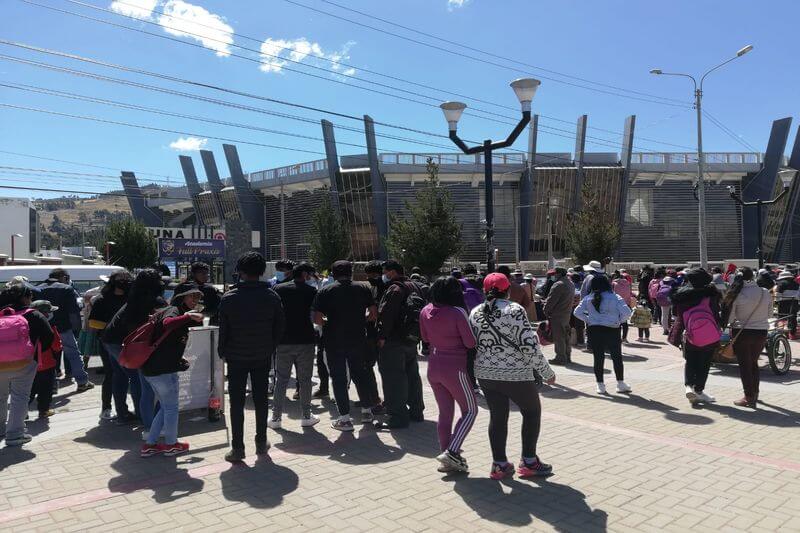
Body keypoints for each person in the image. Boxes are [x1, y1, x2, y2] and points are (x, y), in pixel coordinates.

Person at [469, 273, 555, 479]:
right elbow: (529, 346)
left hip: (485, 374)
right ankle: (529, 461)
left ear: (484, 290)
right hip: (516, 374)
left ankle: (499, 465)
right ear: (508, 290)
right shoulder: (514, 310)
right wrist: (547, 373)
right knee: (532, 412)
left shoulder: (475, 312)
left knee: (498, 417)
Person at [218, 252, 285, 462]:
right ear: (262, 271)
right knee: (261, 399)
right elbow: (279, 328)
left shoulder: (229, 298)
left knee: (236, 403)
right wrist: (269, 347)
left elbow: (223, 332)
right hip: (262, 356)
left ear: (240, 272)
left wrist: (224, 353)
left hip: (236, 358)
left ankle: (237, 448)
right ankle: (261, 442)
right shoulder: (272, 296)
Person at [419, 277, 477, 473]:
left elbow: (425, 339)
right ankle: (451, 452)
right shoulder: (457, 312)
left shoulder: (425, 310)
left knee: (445, 414)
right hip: (455, 368)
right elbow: (470, 343)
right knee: (470, 411)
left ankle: (447, 455)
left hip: (434, 366)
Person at [313, 260, 379, 431]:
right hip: (358, 338)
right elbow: (373, 314)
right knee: (360, 374)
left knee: (339, 378)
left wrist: (330, 322)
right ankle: (366, 411)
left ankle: (344, 419)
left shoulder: (326, 290)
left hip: (334, 341)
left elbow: (318, 319)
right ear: (351, 273)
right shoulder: (363, 288)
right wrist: (359, 321)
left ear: (333, 274)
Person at [139, 286, 204, 457]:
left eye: (197, 298)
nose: (195, 301)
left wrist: (177, 358)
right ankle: (170, 444)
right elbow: (168, 323)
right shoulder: (174, 311)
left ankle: (150, 444)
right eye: (191, 297)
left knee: (165, 407)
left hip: (156, 369)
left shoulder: (174, 311)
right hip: (161, 371)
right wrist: (189, 315)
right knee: (171, 408)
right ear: (181, 297)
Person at [104, 269, 168, 436]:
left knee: (122, 376)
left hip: (112, 340)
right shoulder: (155, 301)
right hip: (128, 344)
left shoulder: (134, 296)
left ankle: (126, 416)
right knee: (140, 382)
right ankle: (147, 422)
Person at [0, 285, 54, 446]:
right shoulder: (34, 315)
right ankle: (15, 434)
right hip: (24, 362)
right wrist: (34, 353)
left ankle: (0, 429)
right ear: (24, 297)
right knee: (20, 397)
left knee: (1, 397)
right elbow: (48, 336)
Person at [375, 260, 425, 429]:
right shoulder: (415, 286)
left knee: (393, 379)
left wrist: (381, 336)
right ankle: (417, 411)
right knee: (412, 377)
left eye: (385, 272)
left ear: (392, 272)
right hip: (411, 340)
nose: (384, 275)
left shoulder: (395, 289)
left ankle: (398, 417)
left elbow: (387, 315)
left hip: (393, 341)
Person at [270, 262, 320, 429]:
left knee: (281, 379)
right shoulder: (311, 291)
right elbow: (316, 314)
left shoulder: (278, 289)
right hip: (305, 339)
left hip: (283, 340)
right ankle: (306, 415)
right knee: (305, 379)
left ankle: (276, 418)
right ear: (305, 274)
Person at [668, 269, 722, 405]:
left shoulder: (681, 295)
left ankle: (688, 386)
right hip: (708, 334)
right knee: (704, 363)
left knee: (690, 361)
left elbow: (678, 315)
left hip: (689, 334)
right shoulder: (710, 295)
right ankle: (699, 390)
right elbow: (716, 314)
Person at [722, 267, 772, 408]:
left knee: (745, 365)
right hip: (761, 331)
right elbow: (769, 314)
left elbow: (731, 319)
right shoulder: (765, 292)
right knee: (753, 363)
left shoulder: (738, 293)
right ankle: (754, 393)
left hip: (742, 332)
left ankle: (748, 397)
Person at [574, 275, 633, 394]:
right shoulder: (615, 297)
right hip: (612, 329)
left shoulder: (588, 298)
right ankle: (620, 384)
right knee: (616, 357)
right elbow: (627, 312)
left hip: (594, 329)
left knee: (598, 357)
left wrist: (588, 320)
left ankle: (600, 385)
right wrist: (618, 320)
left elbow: (577, 312)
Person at [40, 268, 93, 392]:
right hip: (64, 327)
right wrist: (77, 329)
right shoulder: (66, 289)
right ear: (63, 277)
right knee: (73, 354)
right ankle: (82, 382)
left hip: (45, 328)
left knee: (48, 356)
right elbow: (73, 311)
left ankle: (51, 385)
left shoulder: (38, 288)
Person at [91, 271, 134, 422]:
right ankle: (109, 408)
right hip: (111, 343)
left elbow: (94, 325)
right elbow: (94, 324)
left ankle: (118, 411)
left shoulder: (127, 297)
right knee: (116, 375)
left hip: (117, 342)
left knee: (115, 376)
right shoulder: (103, 299)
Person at [28, 300, 62, 419]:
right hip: (47, 363)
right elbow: (57, 346)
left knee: (28, 390)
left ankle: (22, 412)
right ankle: (44, 410)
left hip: (29, 364)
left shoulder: (25, 325)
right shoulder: (50, 327)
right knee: (46, 390)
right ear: (45, 314)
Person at [544, 267, 574, 365]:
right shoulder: (570, 283)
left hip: (557, 315)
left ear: (559, 274)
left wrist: (545, 310)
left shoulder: (558, 285)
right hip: (566, 314)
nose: (552, 276)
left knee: (559, 337)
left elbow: (551, 301)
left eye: (553, 274)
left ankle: (560, 358)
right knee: (565, 336)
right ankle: (567, 355)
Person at [774, 270, 799, 339]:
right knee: (793, 318)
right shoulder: (796, 284)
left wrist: (776, 301)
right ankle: (792, 334)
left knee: (782, 317)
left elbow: (778, 294)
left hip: (784, 302)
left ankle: (782, 333)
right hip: (794, 302)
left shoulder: (781, 283)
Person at [612, 273, 633, 343]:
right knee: (624, 322)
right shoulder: (628, 283)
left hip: (616, 304)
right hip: (626, 303)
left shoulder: (614, 283)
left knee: (617, 322)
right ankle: (624, 338)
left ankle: (617, 338)